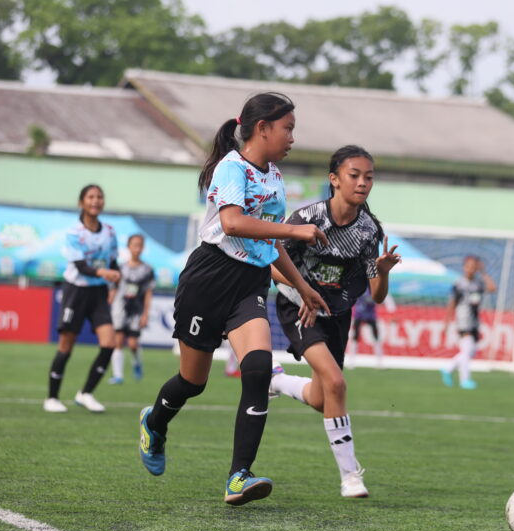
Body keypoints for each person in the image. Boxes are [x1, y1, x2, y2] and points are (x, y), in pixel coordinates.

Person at [137, 92, 330, 506]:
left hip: (249, 284)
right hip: (208, 279)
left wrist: (300, 286)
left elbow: (268, 241)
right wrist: (295, 231)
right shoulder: (231, 167)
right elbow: (233, 222)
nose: (293, 137)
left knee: (258, 368)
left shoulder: (275, 177)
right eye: (288, 128)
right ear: (262, 129)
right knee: (193, 381)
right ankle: (154, 423)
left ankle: (238, 477)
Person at [268, 145, 401, 498]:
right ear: (334, 179)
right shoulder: (306, 218)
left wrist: (383, 272)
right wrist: (303, 290)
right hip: (299, 308)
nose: (362, 183)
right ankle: (350, 476)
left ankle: (277, 382)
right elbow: (271, 264)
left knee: (321, 397)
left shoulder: (369, 231)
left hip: (338, 315)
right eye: (354, 175)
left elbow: (377, 294)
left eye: (368, 177)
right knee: (337, 383)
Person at [44, 184, 121, 413]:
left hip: (98, 293)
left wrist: (114, 283)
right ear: (81, 202)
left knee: (109, 343)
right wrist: (104, 273)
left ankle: (85, 393)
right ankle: (52, 397)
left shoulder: (109, 232)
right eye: (91, 197)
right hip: (76, 291)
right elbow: (81, 266)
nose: (96, 201)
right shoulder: (73, 233)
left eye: (99, 197)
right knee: (66, 345)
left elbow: (114, 262)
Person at [440, 255, 497, 390]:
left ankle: (448, 368)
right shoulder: (459, 284)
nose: (471, 269)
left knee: (471, 351)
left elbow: (492, 288)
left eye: (474, 266)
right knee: (467, 349)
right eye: (469, 266)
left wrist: (483, 272)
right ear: (464, 267)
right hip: (463, 320)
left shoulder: (478, 283)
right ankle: (465, 380)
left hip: (474, 321)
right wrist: (446, 323)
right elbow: (452, 304)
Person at [107, 234, 155, 385]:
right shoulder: (120, 268)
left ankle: (137, 364)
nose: (137, 248)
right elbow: (114, 287)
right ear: (128, 247)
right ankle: (118, 375)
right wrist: (109, 299)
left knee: (133, 344)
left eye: (140, 245)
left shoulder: (147, 270)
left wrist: (146, 314)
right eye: (134, 245)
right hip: (120, 308)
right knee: (118, 340)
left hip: (136, 310)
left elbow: (148, 292)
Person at [346, 288, 396, 369]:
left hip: (371, 315)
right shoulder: (360, 285)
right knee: (355, 337)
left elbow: (386, 297)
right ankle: (351, 361)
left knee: (376, 338)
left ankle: (380, 362)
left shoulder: (374, 287)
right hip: (359, 315)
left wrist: (391, 310)